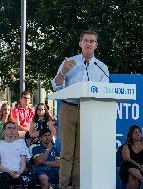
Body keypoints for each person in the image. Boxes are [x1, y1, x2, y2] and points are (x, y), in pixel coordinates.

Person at [51, 30, 109, 189]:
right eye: (86, 40)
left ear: (96, 45)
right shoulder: (70, 62)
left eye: (92, 41)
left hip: (89, 111)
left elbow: (105, 92)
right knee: (67, 152)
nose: (89, 43)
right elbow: (56, 86)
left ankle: (77, 185)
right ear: (80, 43)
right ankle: (63, 185)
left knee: (80, 154)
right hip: (69, 108)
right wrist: (64, 71)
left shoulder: (102, 67)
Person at [0, 121, 36, 189]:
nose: (12, 130)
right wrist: (10, 172)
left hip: (19, 173)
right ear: (4, 131)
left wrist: (19, 173)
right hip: (5, 173)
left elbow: (23, 164)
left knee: (32, 178)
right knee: (3, 177)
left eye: (13, 128)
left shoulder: (20, 145)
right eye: (9, 128)